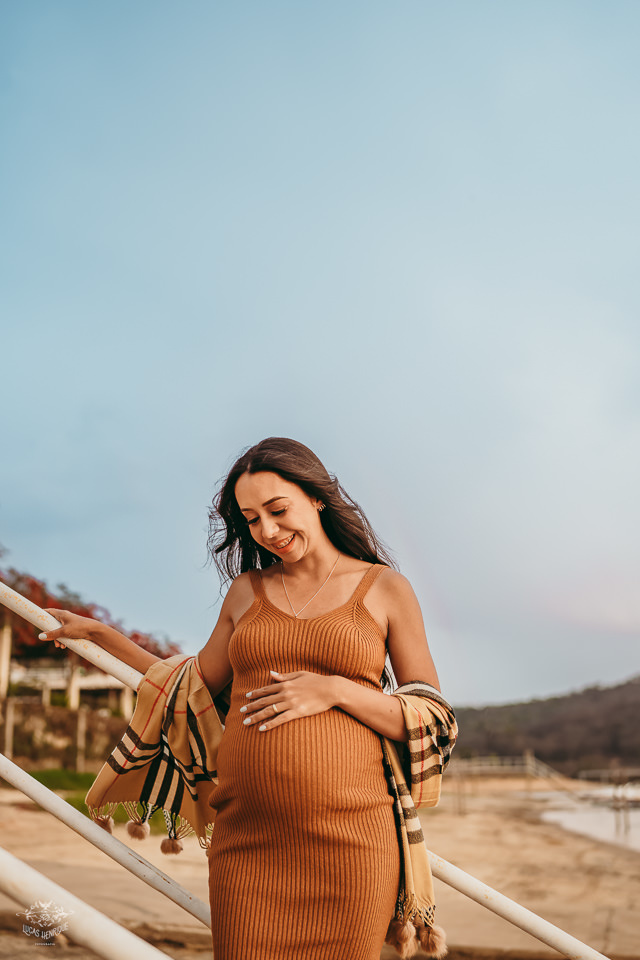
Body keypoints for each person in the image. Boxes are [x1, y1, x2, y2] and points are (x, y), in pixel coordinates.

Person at [41, 437, 451, 960]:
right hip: (246, 840)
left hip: (353, 842)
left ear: (317, 497)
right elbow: (188, 684)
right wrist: (102, 636)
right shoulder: (246, 590)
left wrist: (333, 690)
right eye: (252, 519)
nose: (268, 532)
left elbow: (431, 715)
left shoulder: (385, 588)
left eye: (278, 510)